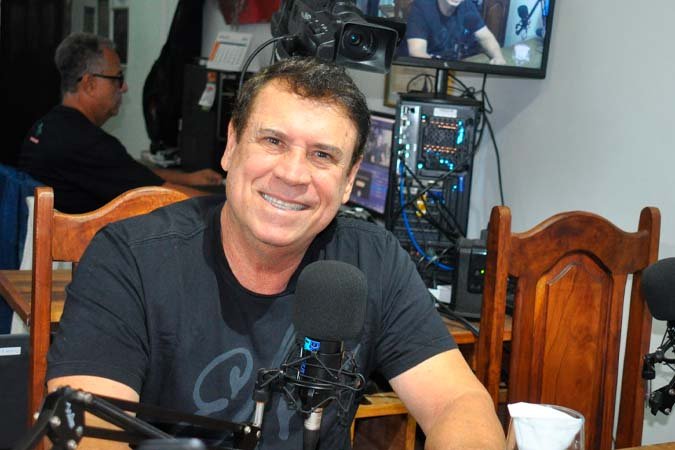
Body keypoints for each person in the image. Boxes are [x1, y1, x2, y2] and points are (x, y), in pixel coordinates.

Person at [46, 57, 505, 450]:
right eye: (273, 141)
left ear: (349, 181)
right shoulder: (129, 260)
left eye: (323, 155)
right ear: (231, 146)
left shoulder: (374, 260)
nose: (292, 174)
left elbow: (458, 402)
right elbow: (88, 432)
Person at [18, 32, 223, 214]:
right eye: (117, 78)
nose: (124, 88)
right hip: (74, 244)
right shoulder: (88, 144)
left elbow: (127, 171)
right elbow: (162, 195)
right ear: (90, 84)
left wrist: (188, 178)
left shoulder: (46, 127)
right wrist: (225, 206)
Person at [406, 0, 507, 64]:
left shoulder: (467, 6)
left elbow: (486, 37)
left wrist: (498, 57)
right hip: (420, 69)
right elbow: (417, 52)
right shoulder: (422, 6)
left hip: (451, 66)